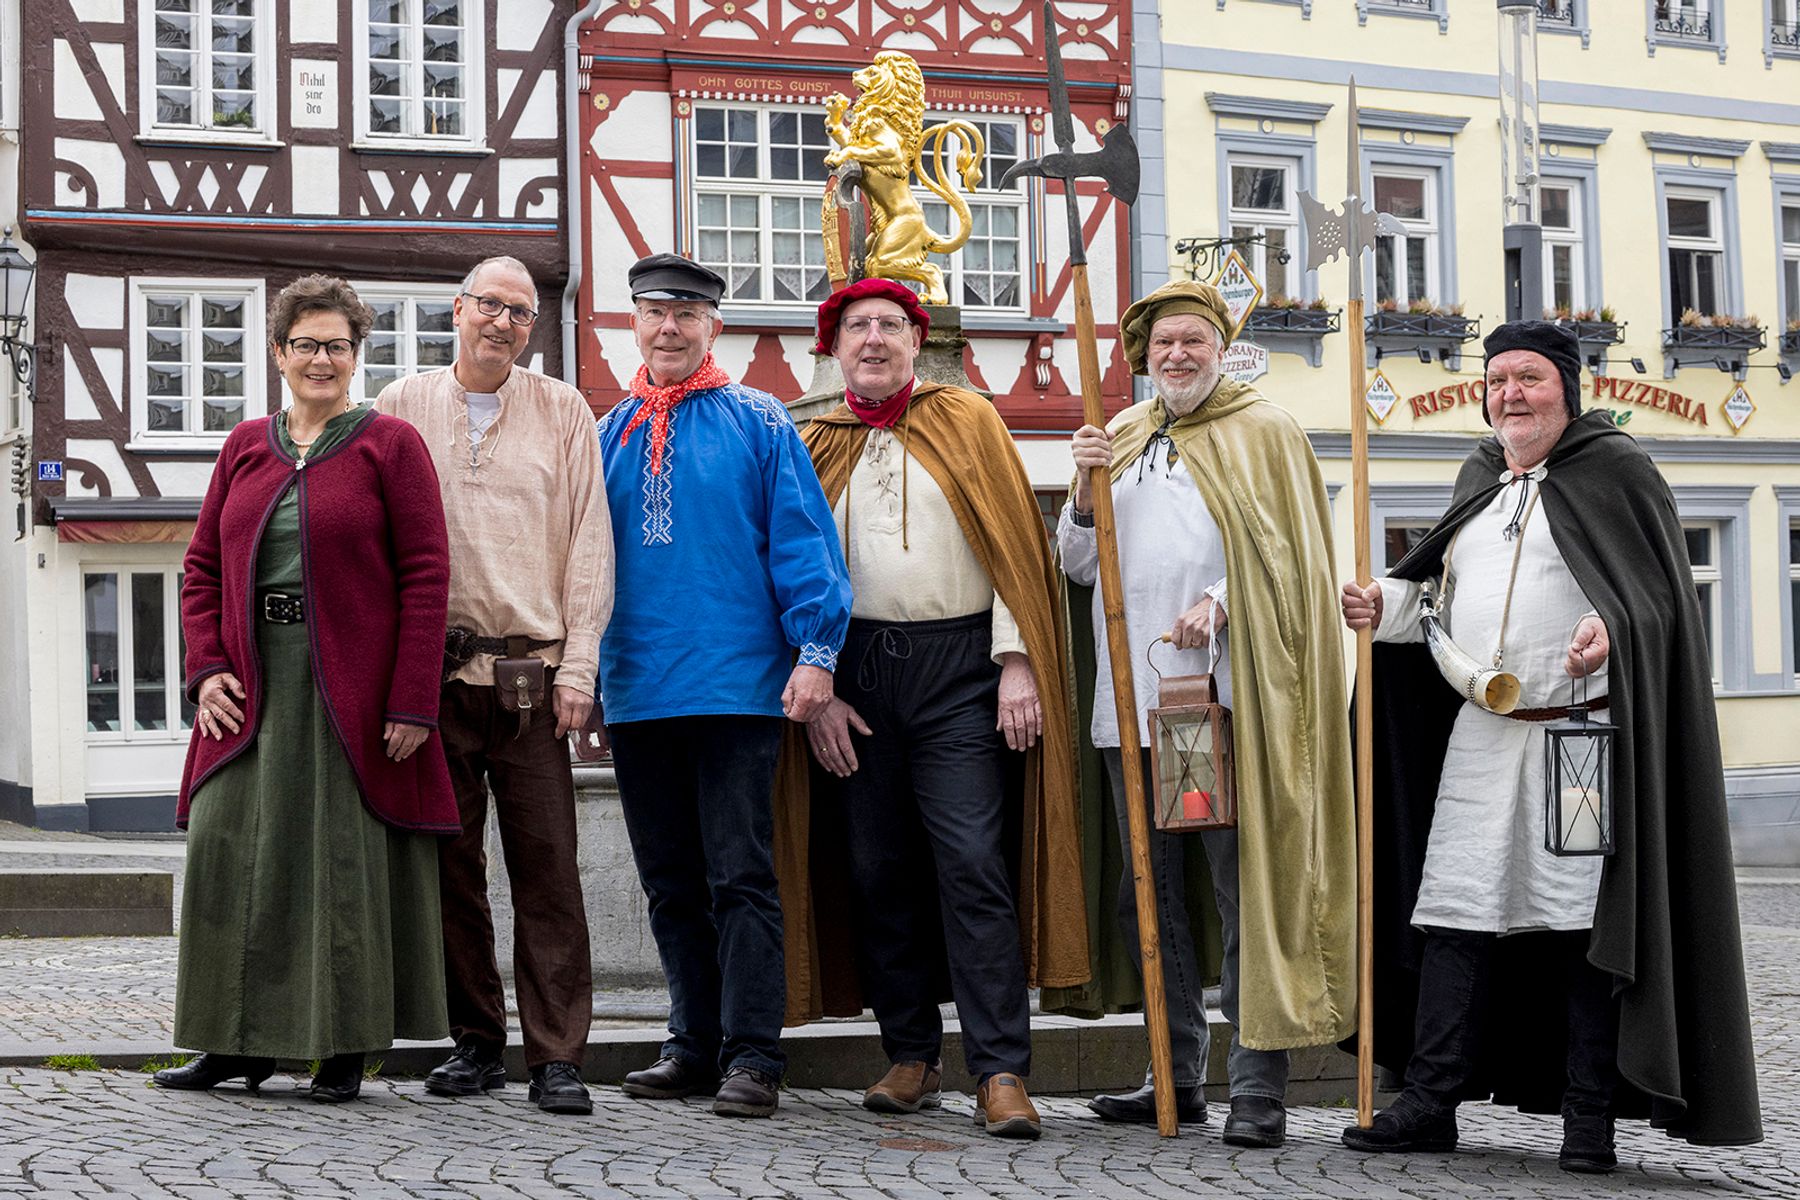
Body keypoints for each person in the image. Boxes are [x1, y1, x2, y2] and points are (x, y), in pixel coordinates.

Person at [1339, 321, 1762, 1169]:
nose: (1510, 395)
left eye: (1527, 378)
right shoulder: (1479, 477)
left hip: (1580, 740)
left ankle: (1589, 1118)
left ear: (1568, 387)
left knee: (1579, 927)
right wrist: (1377, 605)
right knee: (1454, 914)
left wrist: (1609, 631)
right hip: (1482, 738)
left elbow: (1654, 603)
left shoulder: (1616, 471)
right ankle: (1429, 1101)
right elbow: (1435, 593)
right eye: (1496, 381)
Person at [1056, 279, 1355, 1148]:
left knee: (1240, 890)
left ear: (1221, 347)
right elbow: (1079, 566)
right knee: (1147, 897)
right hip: (1134, 709)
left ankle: (1257, 1084)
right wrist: (1083, 487)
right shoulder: (1122, 434)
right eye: (1162, 346)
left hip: (1223, 705)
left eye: (1193, 341)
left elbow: (1293, 562)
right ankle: (1174, 1073)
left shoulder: (1264, 432)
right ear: (1142, 358)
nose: (1177, 356)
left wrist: (1221, 600)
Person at [797, 278, 1088, 1140]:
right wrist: (820, 690)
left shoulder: (968, 420)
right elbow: (789, 564)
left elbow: (1014, 544)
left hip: (962, 670)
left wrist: (1016, 662)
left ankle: (1000, 1070)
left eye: (892, 325)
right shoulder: (814, 435)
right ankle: (911, 1054)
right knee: (878, 868)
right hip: (856, 677)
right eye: (859, 327)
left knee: (971, 862)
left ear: (917, 342)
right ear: (835, 346)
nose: (876, 339)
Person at [158, 275, 456, 1103]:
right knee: (230, 854)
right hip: (251, 687)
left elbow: (427, 576)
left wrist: (410, 700)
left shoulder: (388, 446)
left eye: (336, 345)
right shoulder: (245, 445)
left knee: (337, 866)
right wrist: (206, 664)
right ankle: (234, 1042)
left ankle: (343, 1048)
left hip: (350, 690)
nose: (320, 359)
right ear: (278, 354)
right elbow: (203, 568)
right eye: (305, 344)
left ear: (356, 355)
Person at [600, 253, 852, 1120]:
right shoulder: (611, 431)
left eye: (685, 314)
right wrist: (588, 676)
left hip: (739, 688)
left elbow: (802, 541)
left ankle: (754, 1054)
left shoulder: (760, 421)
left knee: (740, 875)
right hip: (638, 688)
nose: (667, 327)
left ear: (715, 326)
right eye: (652, 312)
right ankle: (691, 1042)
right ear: (633, 322)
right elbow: (584, 568)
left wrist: (816, 651)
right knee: (669, 879)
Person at [377, 256, 614, 1116]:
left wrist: (579, 667)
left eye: (521, 312)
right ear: (457, 309)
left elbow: (591, 543)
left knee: (549, 870)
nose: (504, 322)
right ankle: (476, 1041)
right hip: (434, 677)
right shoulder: (400, 404)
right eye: (490, 305)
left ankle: (557, 1057)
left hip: (533, 679)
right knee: (450, 867)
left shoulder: (563, 412)